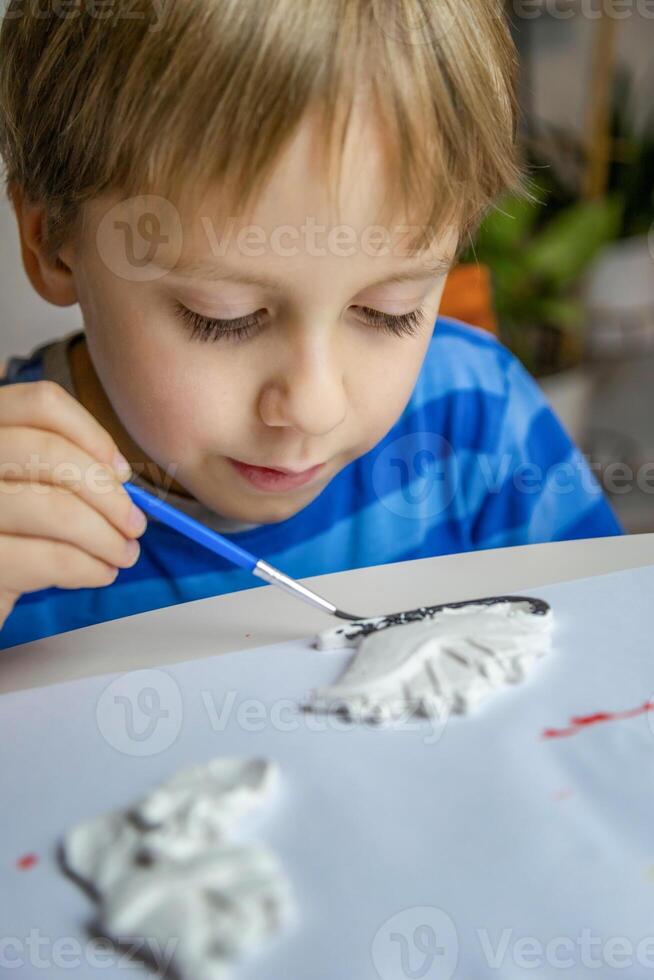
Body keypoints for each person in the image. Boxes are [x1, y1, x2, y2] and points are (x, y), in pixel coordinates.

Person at [0, 0, 621, 650]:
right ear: (51, 242)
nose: (315, 407)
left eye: (390, 310)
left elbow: (613, 674)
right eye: (225, 319)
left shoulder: (479, 424)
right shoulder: (18, 519)